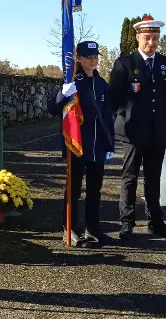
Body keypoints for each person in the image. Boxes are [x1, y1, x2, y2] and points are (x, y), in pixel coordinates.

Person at [108, 16, 166, 240]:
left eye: (156, 38)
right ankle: (126, 221)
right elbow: (115, 96)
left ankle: (155, 221)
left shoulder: (165, 63)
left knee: (154, 177)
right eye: (147, 37)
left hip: (158, 130)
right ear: (138, 37)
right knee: (130, 176)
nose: (152, 42)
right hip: (133, 130)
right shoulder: (125, 63)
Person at [48, 41, 115, 247]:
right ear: (78, 59)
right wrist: (63, 95)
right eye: (88, 57)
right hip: (77, 146)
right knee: (73, 189)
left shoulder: (102, 84)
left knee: (95, 190)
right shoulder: (72, 83)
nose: (93, 60)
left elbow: (107, 116)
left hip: (97, 146)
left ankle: (93, 228)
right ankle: (69, 228)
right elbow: (53, 108)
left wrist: (110, 145)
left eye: (95, 57)